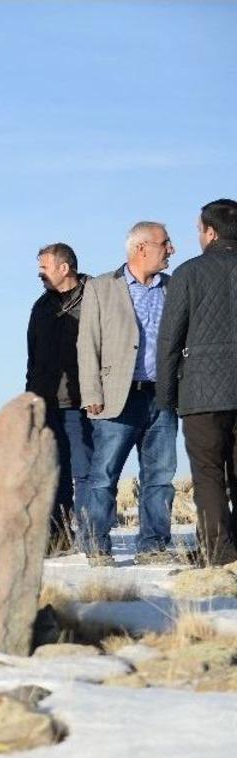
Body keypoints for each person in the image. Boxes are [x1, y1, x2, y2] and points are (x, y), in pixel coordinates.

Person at [78, 221, 179, 566]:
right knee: (104, 475)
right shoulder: (102, 287)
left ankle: (153, 545)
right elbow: (87, 342)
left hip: (162, 397)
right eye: (165, 243)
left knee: (160, 477)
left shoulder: (174, 287)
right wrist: (91, 390)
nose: (171, 249)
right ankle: (95, 546)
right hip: (114, 397)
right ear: (141, 248)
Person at [158, 199, 237, 566]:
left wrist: (166, 395)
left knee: (207, 474)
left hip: (203, 392)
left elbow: (170, 338)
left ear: (210, 231)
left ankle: (218, 553)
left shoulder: (189, 273)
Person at [26, 243, 94, 555]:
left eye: (44, 268)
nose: (40, 274)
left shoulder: (95, 300)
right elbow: (33, 359)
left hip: (84, 403)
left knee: (86, 473)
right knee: (53, 475)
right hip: (48, 404)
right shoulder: (41, 308)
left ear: (64, 268)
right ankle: (58, 539)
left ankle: (93, 538)